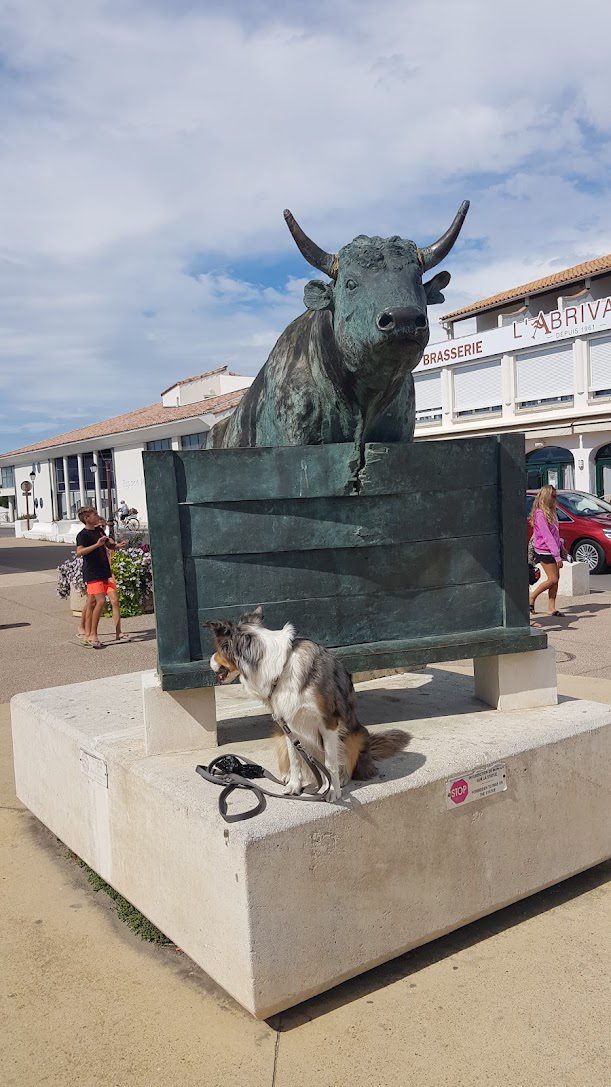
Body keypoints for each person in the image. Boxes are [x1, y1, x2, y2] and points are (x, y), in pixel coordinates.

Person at [75, 505, 117, 648]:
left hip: (103, 571)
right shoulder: (83, 535)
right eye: (94, 514)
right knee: (100, 602)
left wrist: (116, 545)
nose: (98, 516)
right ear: (87, 518)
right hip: (92, 572)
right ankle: (93, 634)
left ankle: (89, 634)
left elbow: (108, 546)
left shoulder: (99, 530)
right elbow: (80, 552)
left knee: (94, 603)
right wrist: (96, 545)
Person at [528, 485, 566, 617]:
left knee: (556, 579)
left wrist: (561, 547)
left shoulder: (552, 511)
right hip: (544, 550)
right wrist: (557, 557)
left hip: (553, 549)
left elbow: (555, 534)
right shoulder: (540, 514)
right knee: (553, 579)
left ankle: (551, 607)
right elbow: (547, 536)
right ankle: (532, 597)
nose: (555, 498)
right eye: (553, 496)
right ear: (546, 497)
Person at [97, 516, 130, 642]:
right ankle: (87, 630)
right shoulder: (94, 541)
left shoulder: (108, 541)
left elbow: (111, 553)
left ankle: (118, 632)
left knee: (115, 601)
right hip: (96, 576)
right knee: (94, 604)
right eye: (99, 526)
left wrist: (118, 546)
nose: (101, 528)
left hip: (108, 574)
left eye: (103, 526)